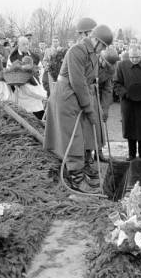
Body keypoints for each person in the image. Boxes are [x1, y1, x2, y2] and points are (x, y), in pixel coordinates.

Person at [44, 24, 113, 194]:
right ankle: (76, 179)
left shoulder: (94, 54)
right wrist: (89, 108)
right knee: (73, 138)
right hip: (66, 97)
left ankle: (86, 167)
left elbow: (90, 80)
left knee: (86, 132)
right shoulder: (77, 51)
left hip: (79, 94)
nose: (103, 49)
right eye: (103, 45)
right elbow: (77, 82)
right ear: (95, 40)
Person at [114, 44, 141, 160]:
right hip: (127, 102)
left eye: (137, 57)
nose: (134, 60)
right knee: (129, 126)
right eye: (132, 57)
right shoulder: (121, 65)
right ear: (128, 56)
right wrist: (125, 94)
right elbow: (117, 83)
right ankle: (131, 154)